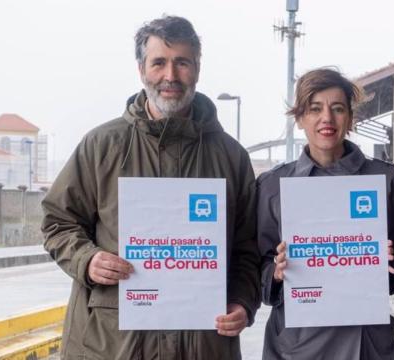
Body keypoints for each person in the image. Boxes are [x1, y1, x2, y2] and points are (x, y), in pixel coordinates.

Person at [41, 16, 260, 359]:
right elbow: (57, 221)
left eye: (182, 63)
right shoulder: (102, 146)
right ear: (141, 69)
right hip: (113, 344)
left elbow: (249, 249)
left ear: (197, 68)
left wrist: (244, 302)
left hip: (202, 345)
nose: (170, 76)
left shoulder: (231, 157)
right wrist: (88, 259)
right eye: (159, 63)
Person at [258, 68, 394, 359]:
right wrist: (277, 272)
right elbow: (256, 267)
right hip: (297, 345)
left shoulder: (386, 181)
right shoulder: (273, 186)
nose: (327, 119)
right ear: (299, 118)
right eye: (315, 109)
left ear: (351, 117)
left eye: (337, 109)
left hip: (367, 342)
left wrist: (391, 266)